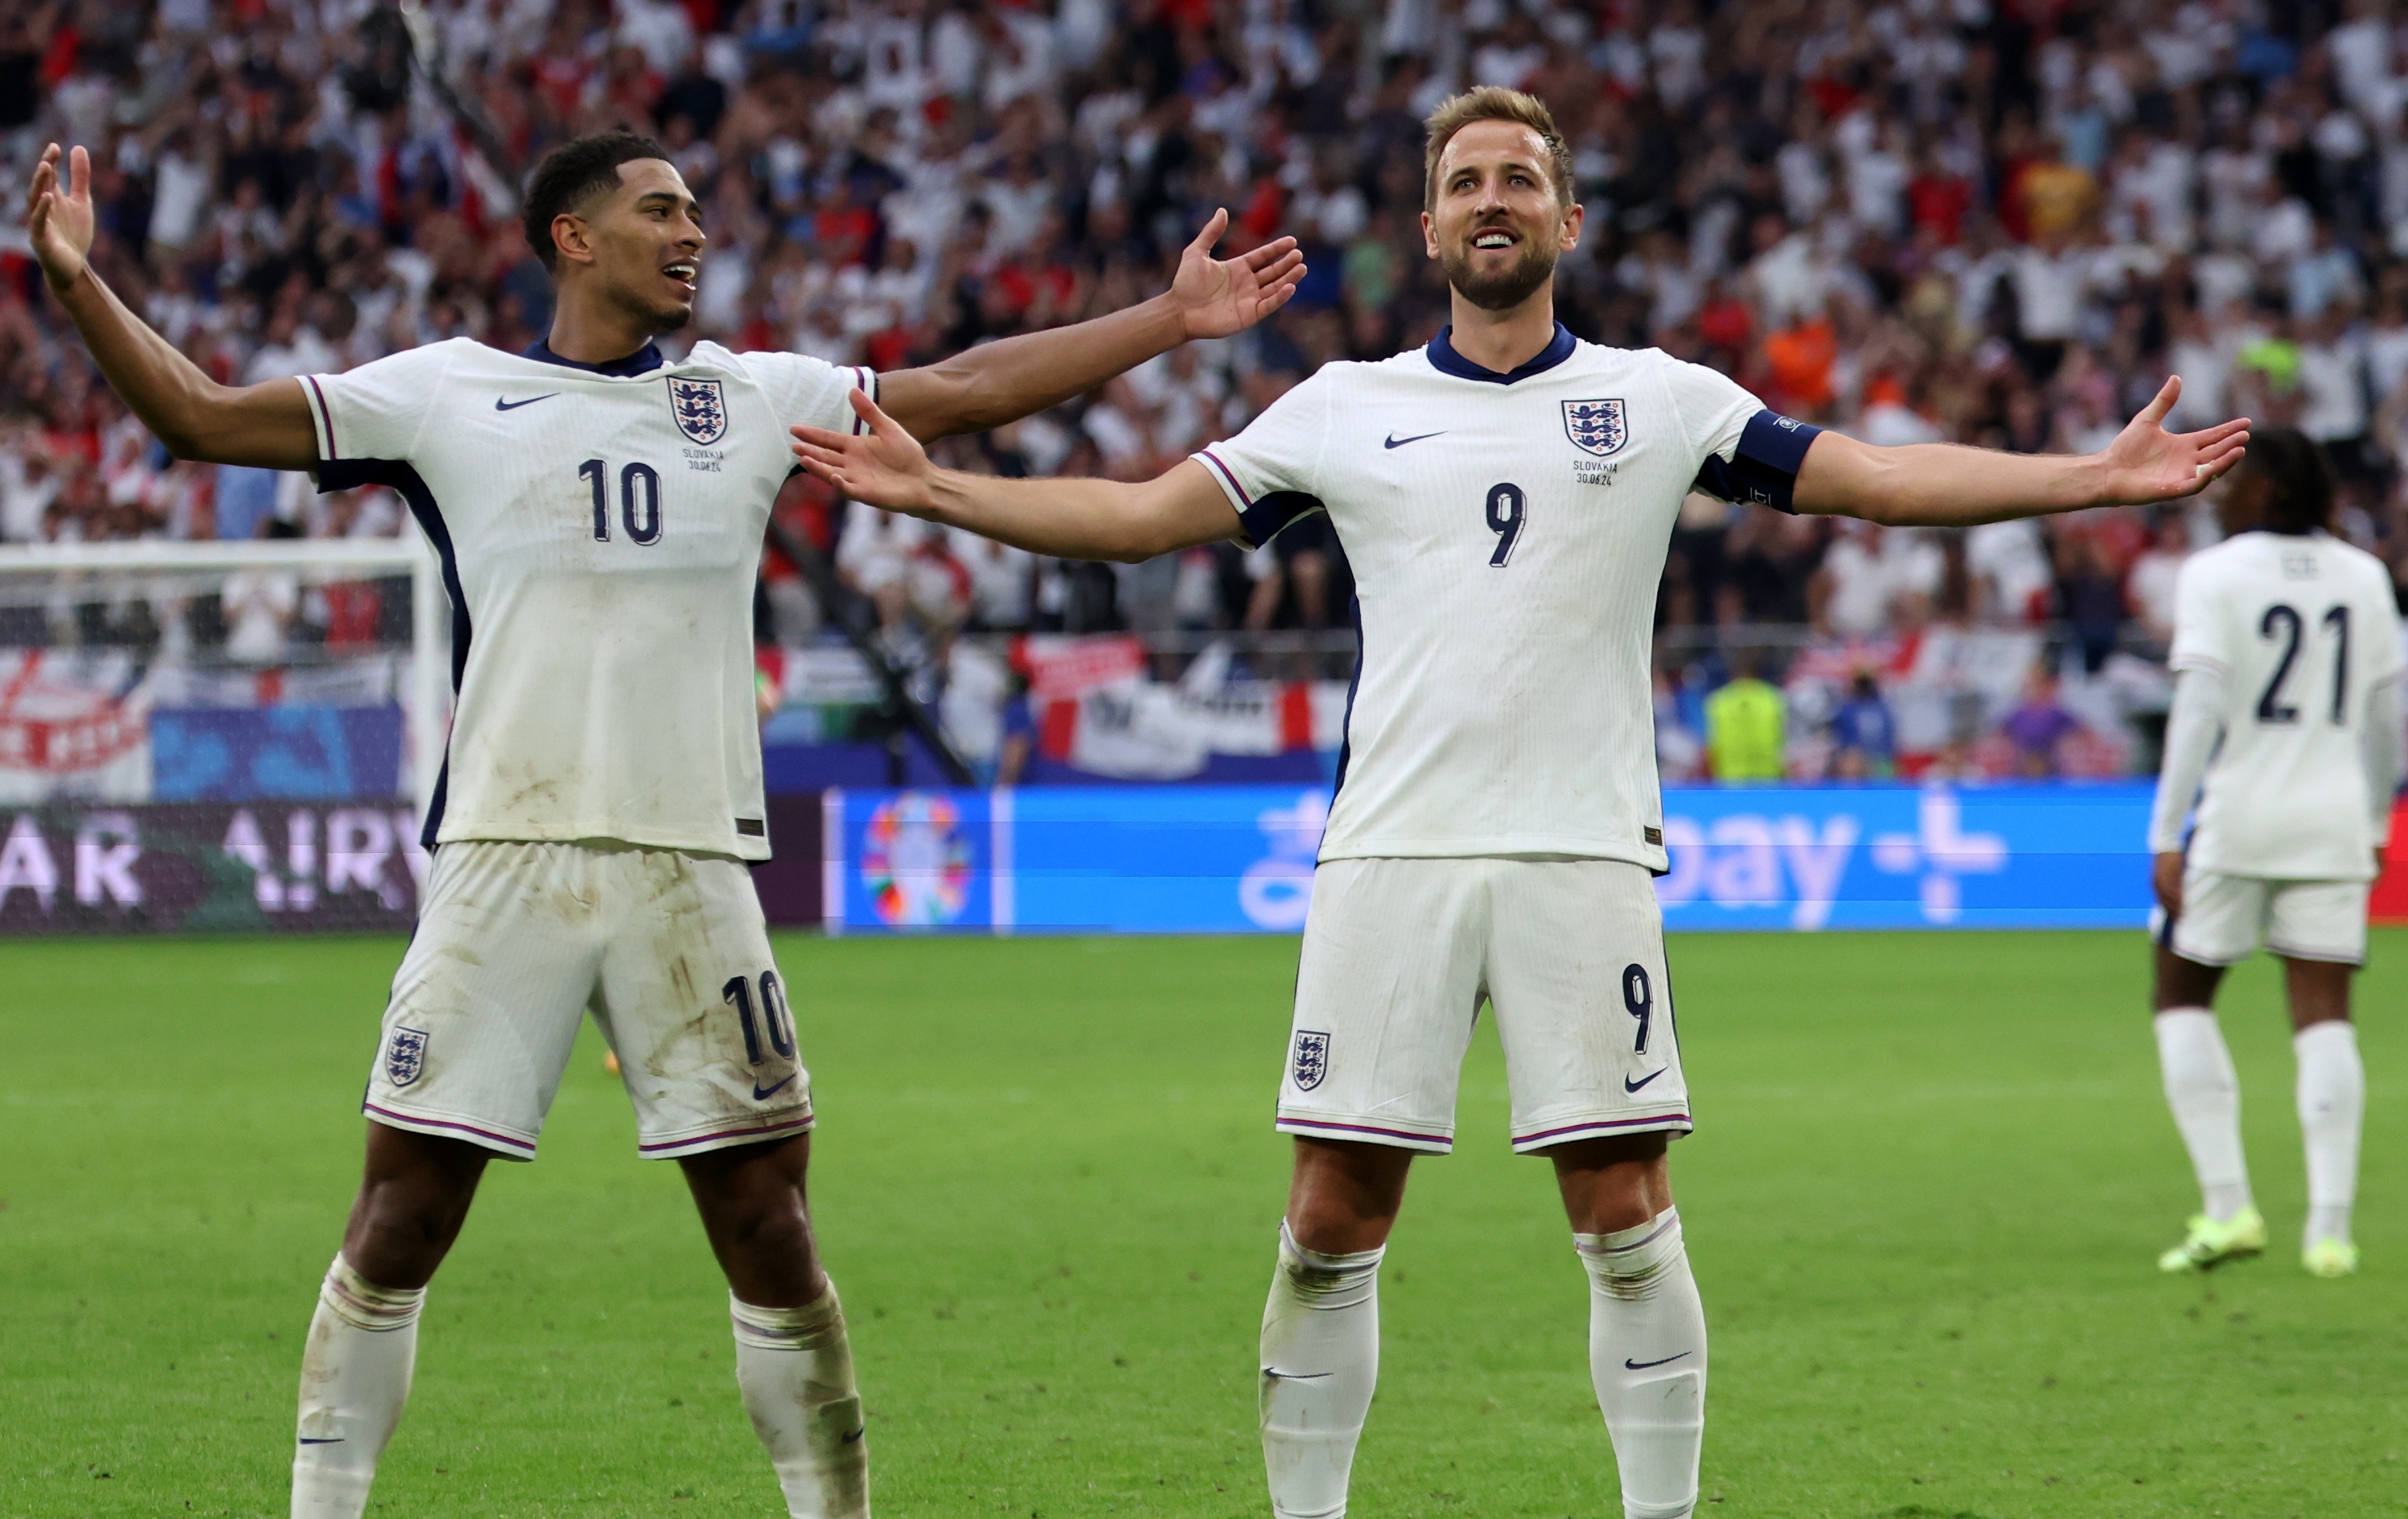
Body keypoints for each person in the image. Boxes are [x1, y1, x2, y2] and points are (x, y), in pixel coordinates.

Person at [791, 86, 2249, 1519]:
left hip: (1581, 852)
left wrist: (2086, 480)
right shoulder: (1345, 407)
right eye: (1468, 181)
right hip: (1391, 856)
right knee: (1327, 1219)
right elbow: (1131, 515)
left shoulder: (1664, 397)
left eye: (1519, 178)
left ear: (1568, 215)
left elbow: (1869, 476)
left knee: (1623, 1211)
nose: (1495, 199)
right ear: (1429, 228)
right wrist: (939, 495)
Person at [26, 131, 1303, 1519]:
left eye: (695, 207)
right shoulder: (447, 391)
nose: (692, 229)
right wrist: (82, 283)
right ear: (574, 239)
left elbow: (962, 387)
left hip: (694, 867)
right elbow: (204, 416)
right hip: (504, 862)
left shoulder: (753, 397)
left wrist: (1171, 320)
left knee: (768, 1223)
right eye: (659, 209)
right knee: (401, 1216)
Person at [2144, 426, 2404, 1280]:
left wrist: (2164, 829)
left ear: (2267, 489)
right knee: (2324, 1011)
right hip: (2332, 818)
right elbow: (2383, 714)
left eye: (2231, 479)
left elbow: (2198, 707)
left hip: (2240, 815)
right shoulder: (2363, 575)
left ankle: (2228, 1208)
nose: (2216, 491)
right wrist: (2371, 818)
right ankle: (2328, 1232)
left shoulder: (2216, 574)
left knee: (2180, 989)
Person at [1703, 648, 1785, 782]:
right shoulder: (1774, 699)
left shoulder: (1718, 701)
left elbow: (1711, 745)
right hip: (1769, 777)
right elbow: (1785, 739)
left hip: (1730, 778)